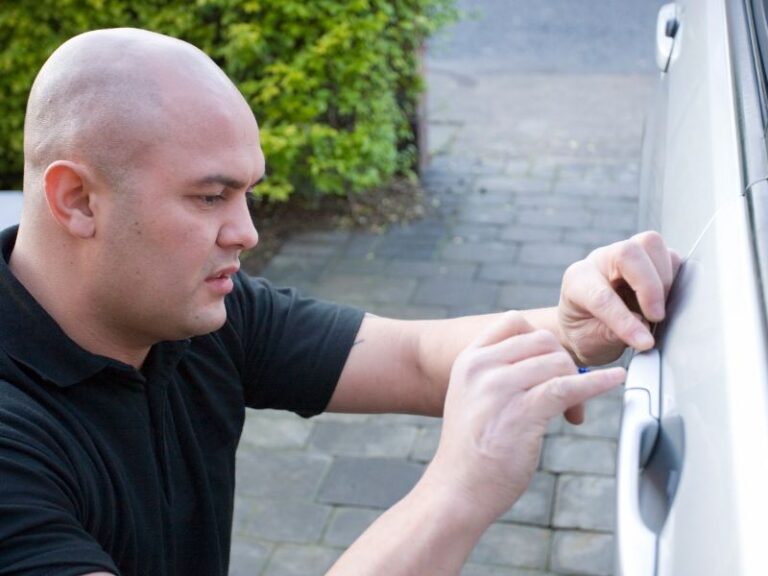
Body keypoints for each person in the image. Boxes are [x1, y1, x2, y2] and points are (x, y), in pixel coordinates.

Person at [0, 28, 680, 576]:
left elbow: (414, 360)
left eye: (248, 193)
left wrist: (575, 328)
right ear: (78, 201)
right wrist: (456, 492)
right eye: (211, 196)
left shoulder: (196, 317)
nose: (247, 232)